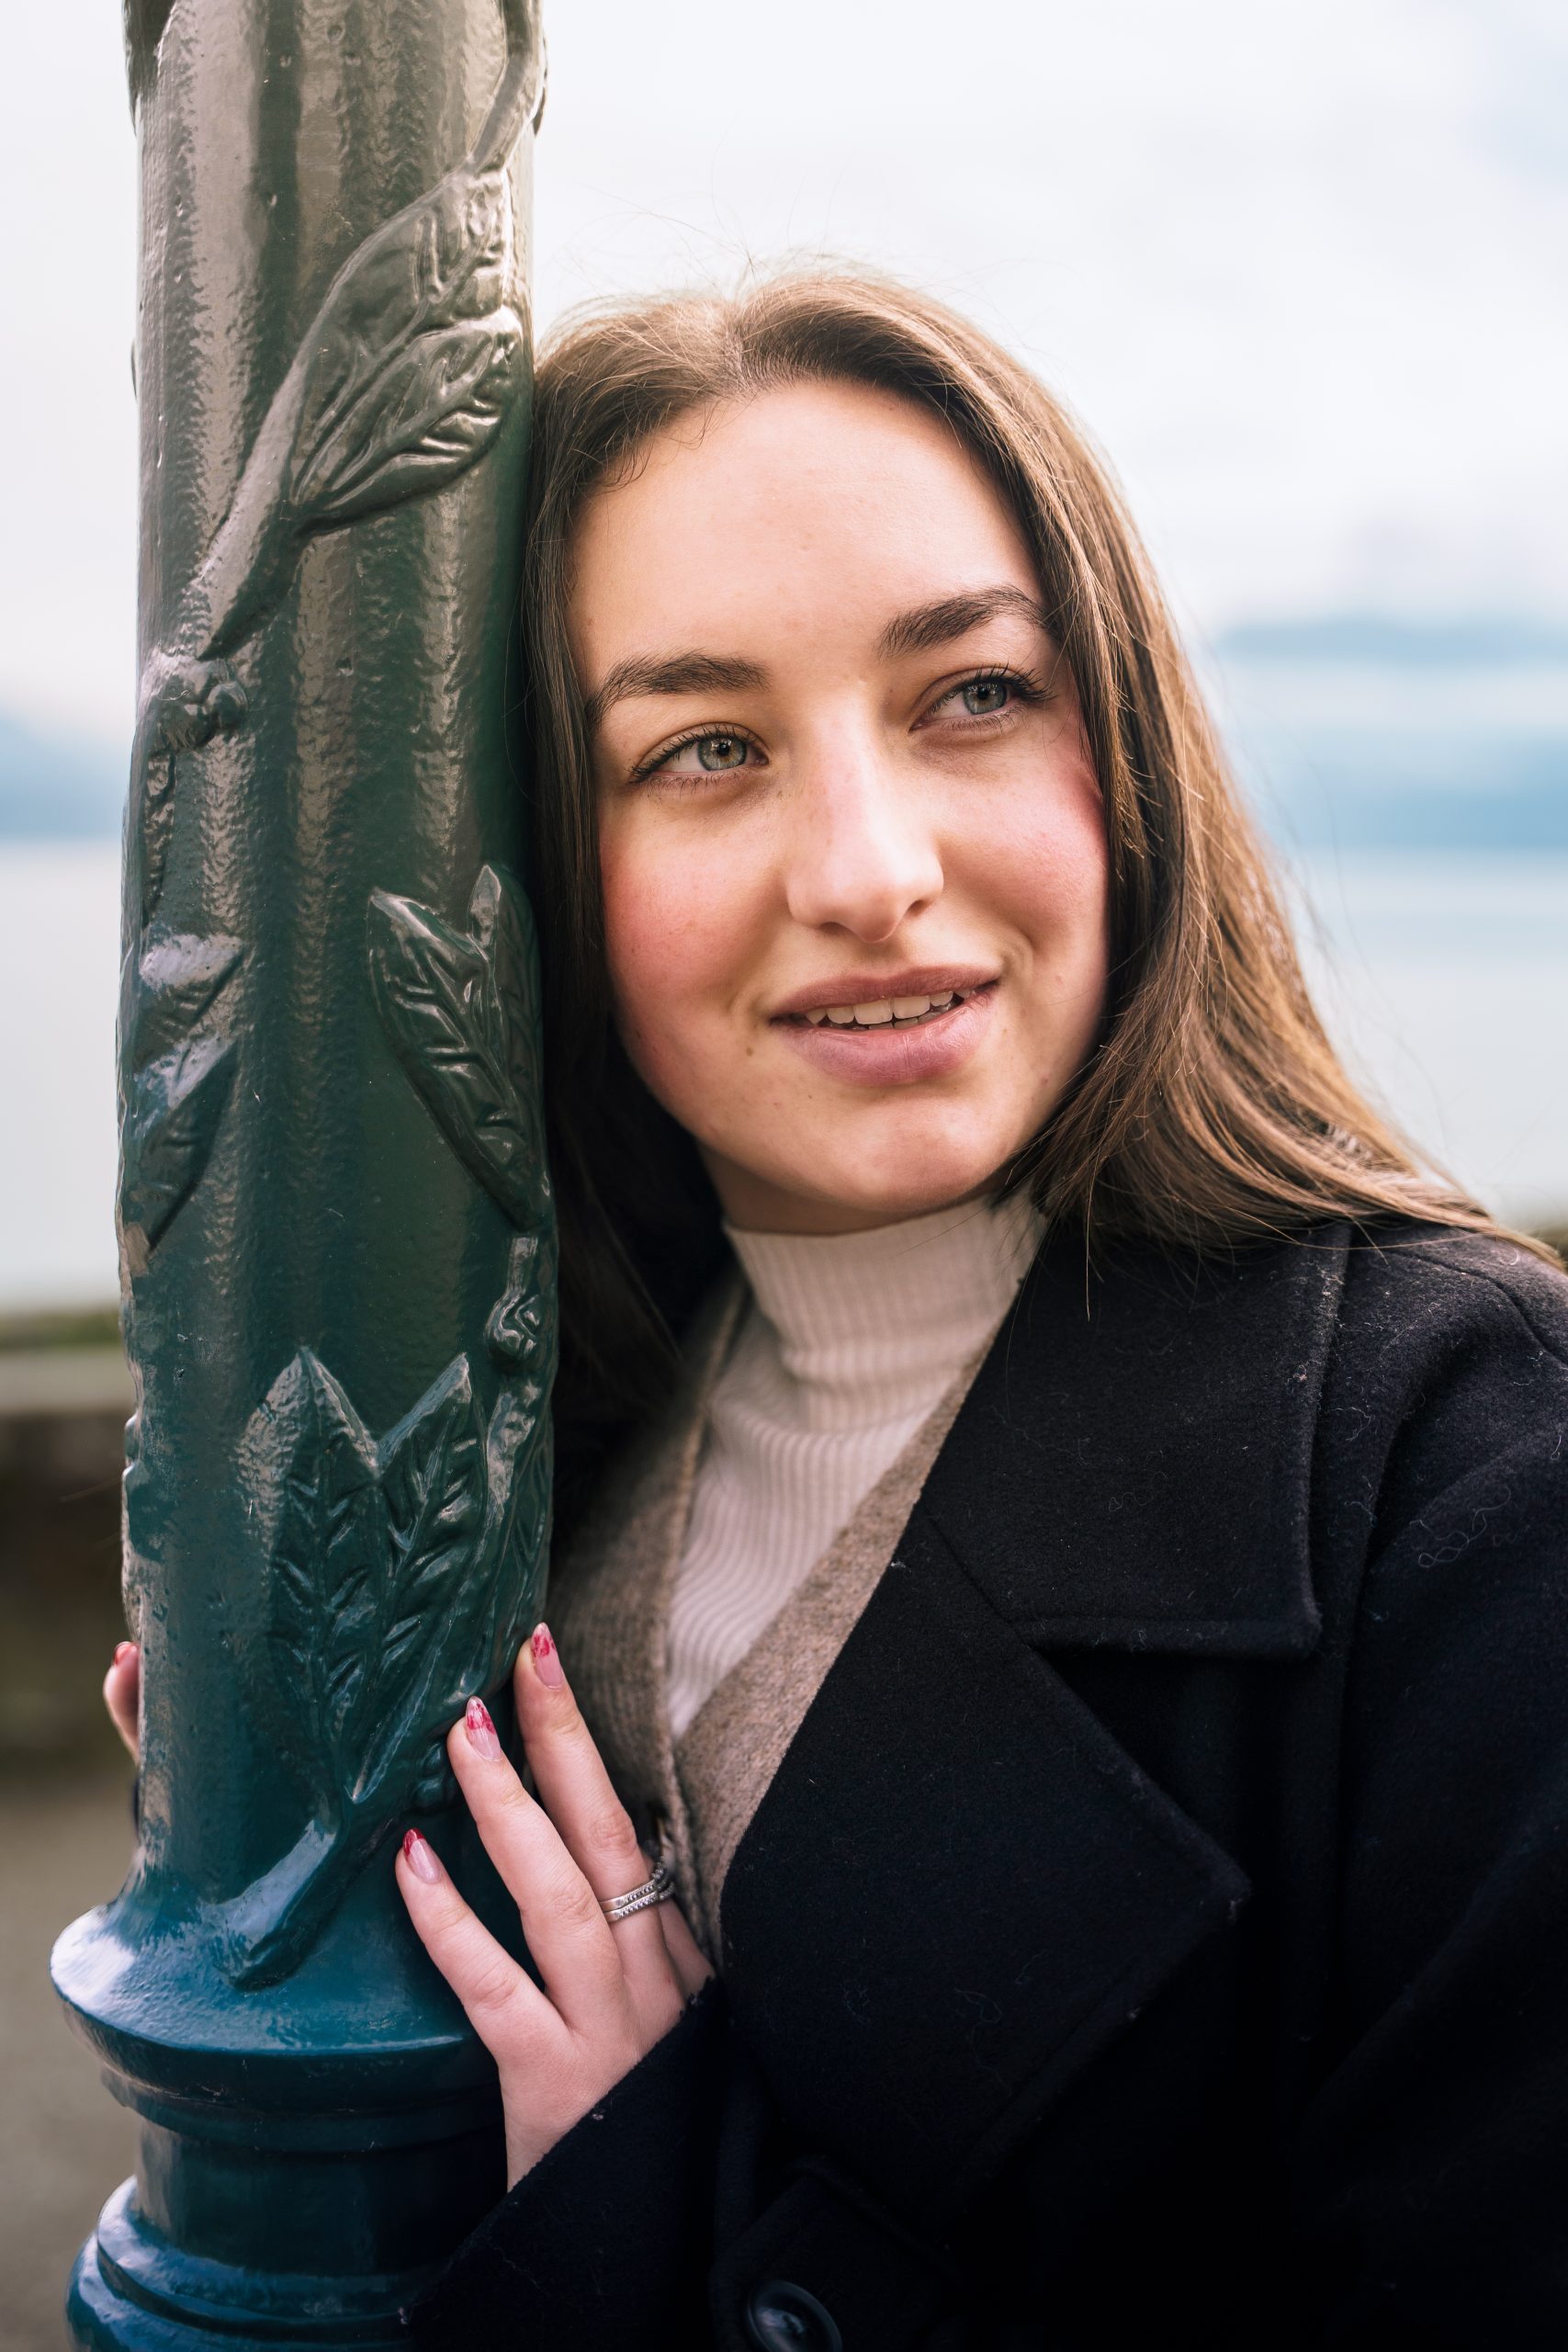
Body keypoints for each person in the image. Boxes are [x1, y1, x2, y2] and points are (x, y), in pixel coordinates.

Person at [104, 274, 1568, 2349]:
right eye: (701, 748)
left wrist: (651, 2214)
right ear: (538, 851)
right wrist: (261, 1842)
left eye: (971, 694)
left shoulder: (1467, 1475)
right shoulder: (523, 1434)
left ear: (1122, 746)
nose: (870, 868)